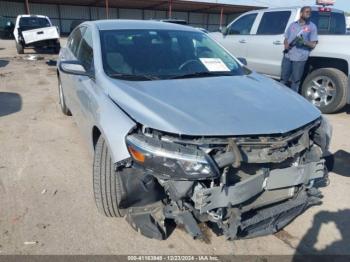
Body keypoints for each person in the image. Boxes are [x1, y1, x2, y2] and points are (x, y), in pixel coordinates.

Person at [281, 6, 318, 93]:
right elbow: (286, 38)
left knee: (296, 81)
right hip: (287, 56)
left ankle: (294, 100)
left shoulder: (312, 27)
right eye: (306, 11)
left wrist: (303, 42)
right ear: (301, 13)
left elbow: (313, 44)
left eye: (310, 12)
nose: (308, 13)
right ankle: (280, 96)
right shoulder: (292, 25)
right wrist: (286, 45)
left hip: (299, 58)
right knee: (283, 79)